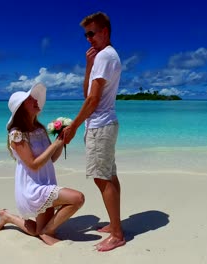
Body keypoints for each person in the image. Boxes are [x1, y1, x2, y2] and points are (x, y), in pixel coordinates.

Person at [61, 12, 125, 252]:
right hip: (106, 124)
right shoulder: (105, 57)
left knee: (102, 178)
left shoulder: (105, 57)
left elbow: (92, 101)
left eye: (92, 33)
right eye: (86, 34)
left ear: (105, 32)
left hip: (100, 125)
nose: (88, 39)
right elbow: (86, 92)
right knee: (110, 176)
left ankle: (117, 234)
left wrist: (74, 126)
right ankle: (115, 225)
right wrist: (88, 65)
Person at [0, 83, 85, 246]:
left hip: (46, 182)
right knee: (77, 199)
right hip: (32, 187)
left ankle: (7, 216)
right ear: (22, 107)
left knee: (35, 230)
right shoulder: (17, 134)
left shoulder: (40, 129)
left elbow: (51, 158)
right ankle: (47, 231)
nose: (35, 100)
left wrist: (62, 141)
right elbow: (33, 164)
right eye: (30, 99)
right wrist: (55, 145)